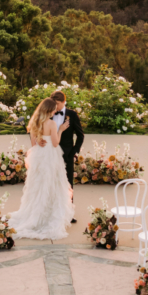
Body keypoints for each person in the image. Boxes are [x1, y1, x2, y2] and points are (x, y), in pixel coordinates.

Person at [9, 97, 75, 240]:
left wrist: (39, 139)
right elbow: (56, 143)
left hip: (39, 156)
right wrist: (61, 130)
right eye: (53, 110)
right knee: (53, 183)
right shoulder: (51, 124)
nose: (53, 113)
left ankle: (36, 213)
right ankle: (49, 213)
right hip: (51, 155)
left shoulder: (34, 122)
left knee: (38, 184)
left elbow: (33, 144)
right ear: (48, 110)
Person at [52, 90, 85, 223]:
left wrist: (74, 152)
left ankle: (69, 213)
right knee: (52, 182)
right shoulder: (49, 113)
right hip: (51, 154)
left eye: (58, 104)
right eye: (54, 104)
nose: (55, 107)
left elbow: (80, 135)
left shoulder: (72, 115)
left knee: (68, 183)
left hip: (67, 155)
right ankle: (53, 211)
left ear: (64, 102)